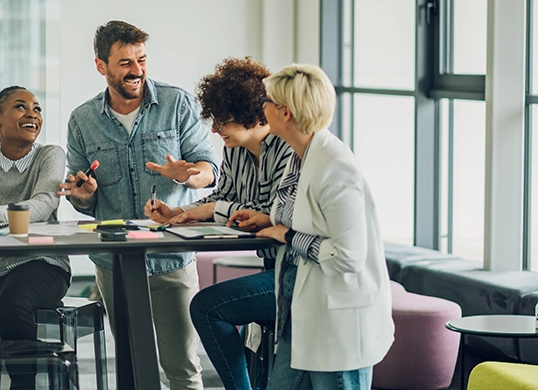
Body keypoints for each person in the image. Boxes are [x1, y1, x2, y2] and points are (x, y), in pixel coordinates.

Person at [57, 20, 218, 390]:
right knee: (131, 367)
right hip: (115, 264)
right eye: (126, 62)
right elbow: (85, 197)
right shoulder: (82, 121)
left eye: (142, 59)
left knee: (182, 369)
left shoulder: (177, 104)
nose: (137, 70)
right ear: (101, 66)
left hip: (172, 258)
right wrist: (85, 196)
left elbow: (209, 170)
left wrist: (187, 175)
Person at [234, 64, 393, 390]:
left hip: (337, 324)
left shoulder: (335, 167)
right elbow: (308, 215)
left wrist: (288, 235)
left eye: (266, 100)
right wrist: (271, 221)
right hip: (302, 315)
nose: (261, 106)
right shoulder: (300, 156)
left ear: (285, 112)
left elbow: (349, 256)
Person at [144, 57, 296, 389]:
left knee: (208, 307)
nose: (214, 130)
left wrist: (215, 208)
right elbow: (223, 199)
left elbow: (273, 210)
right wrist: (177, 214)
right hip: (274, 267)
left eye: (222, 120)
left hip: (298, 273)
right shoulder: (236, 148)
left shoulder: (289, 146)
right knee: (212, 307)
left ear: (251, 114)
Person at [0, 86, 70, 390]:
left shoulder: (50, 154)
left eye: (37, 108)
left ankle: (24, 385)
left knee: (11, 301)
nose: (33, 113)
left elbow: (45, 203)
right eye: (21, 107)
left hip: (44, 262)